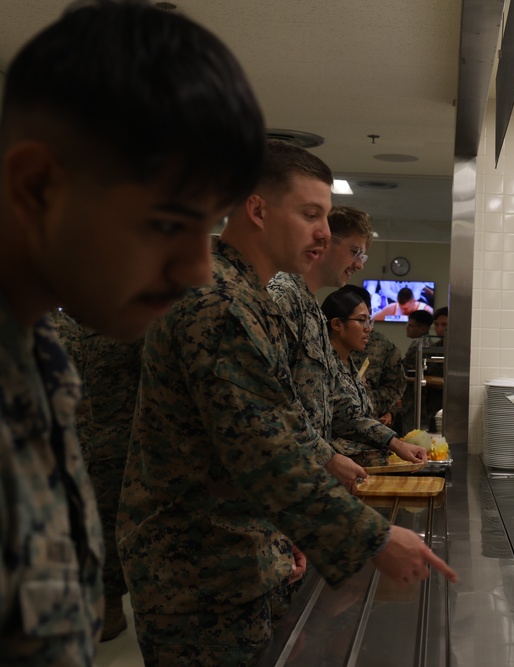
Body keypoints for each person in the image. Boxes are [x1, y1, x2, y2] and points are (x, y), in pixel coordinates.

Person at [118, 140, 456, 664]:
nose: (324, 231)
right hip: (199, 567)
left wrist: (290, 528)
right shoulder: (219, 302)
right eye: (310, 214)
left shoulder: (245, 295)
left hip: (233, 551)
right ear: (257, 209)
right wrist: (372, 539)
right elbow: (264, 449)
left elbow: (284, 418)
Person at [0, 2, 266, 664]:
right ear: (36, 186)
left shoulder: (41, 354)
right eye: (166, 222)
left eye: (207, 228)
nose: (198, 268)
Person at [50, 310, 143, 642]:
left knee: (106, 527)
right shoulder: (68, 324)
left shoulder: (126, 322)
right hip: (89, 443)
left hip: (119, 444)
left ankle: (109, 608)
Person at [268, 204, 372, 448]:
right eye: (354, 251)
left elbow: (333, 401)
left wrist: (390, 441)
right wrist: (329, 460)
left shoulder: (312, 308)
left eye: (362, 256)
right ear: (325, 242)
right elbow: (274, 397)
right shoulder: (283, 297)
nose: (359, 265)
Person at [322, 288, 427, 467]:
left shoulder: (347, 364)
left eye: (368, 320)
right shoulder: (322, 364)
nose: (368, 328)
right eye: (361, 320)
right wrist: (395, 443)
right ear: (337, 324)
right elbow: (350, 418)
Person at [342, 284, 406, 427]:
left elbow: (395, 387)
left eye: (365, 319)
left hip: (368, 426)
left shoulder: (383, 347)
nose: (367, 328)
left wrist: (367, 400)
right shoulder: (320, 344)